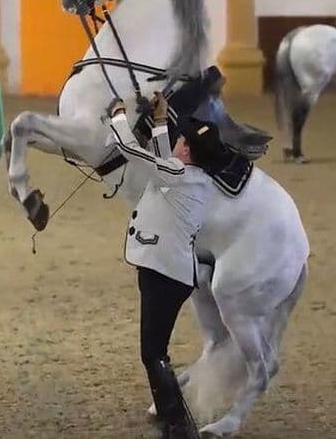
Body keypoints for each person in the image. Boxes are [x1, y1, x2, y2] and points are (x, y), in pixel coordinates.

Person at [106, 92, 225, 439]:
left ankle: (176, 424)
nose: (177, 141)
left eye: (181, 139)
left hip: (164, 275)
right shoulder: (189, 175)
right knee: (154, 350)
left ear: (186, 151)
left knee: (153, 351)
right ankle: (174, 419)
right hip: (167, 272)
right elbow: (162, 164)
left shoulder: (178, 174)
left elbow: (137, 155)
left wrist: (117, 118)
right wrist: (159, 124)